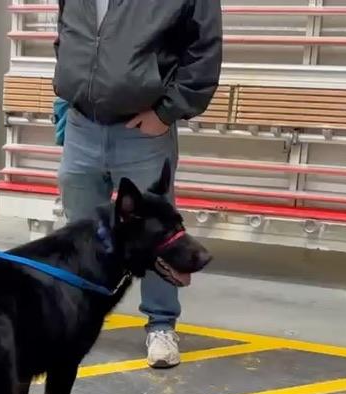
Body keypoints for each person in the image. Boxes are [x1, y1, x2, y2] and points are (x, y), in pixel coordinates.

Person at [52, 0, 222, 368]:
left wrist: (167, 112)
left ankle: (161, 325)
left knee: (156, 233)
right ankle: (79, 316)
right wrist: (67, 97)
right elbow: (69, 33)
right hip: (83, 124)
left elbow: (203, 52)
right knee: (81, 230)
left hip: (143, 130)